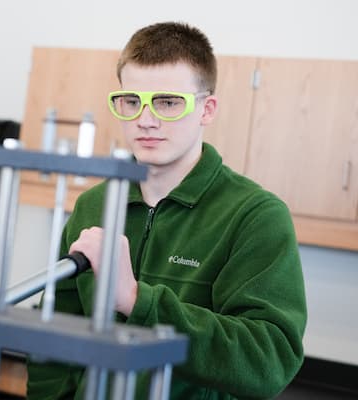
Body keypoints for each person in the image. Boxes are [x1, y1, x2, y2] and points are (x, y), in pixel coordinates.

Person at [27, 22, 307, 399]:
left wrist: (136, 300)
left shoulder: (254, 216)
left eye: (168, 102)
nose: (146, 119)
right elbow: (55, 332)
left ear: (206, 109)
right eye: (132, 101)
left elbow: (269, 361)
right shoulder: (95, 205)